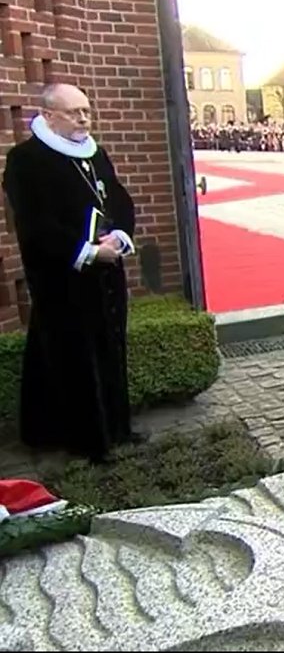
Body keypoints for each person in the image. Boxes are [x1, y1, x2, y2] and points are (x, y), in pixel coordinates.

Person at [2, 83, 140, 463]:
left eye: (87, 111)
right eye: (73, 112)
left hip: (108, 274)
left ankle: (117, 429)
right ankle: (88, 444)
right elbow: (35, 224)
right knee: (73, 358)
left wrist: (121, 235)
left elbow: (119, 199)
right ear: (48, 116)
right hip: (62, 276)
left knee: (111, 348)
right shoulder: (26, 160)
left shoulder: (96, 155)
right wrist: (90, 252)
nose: (83, 119)